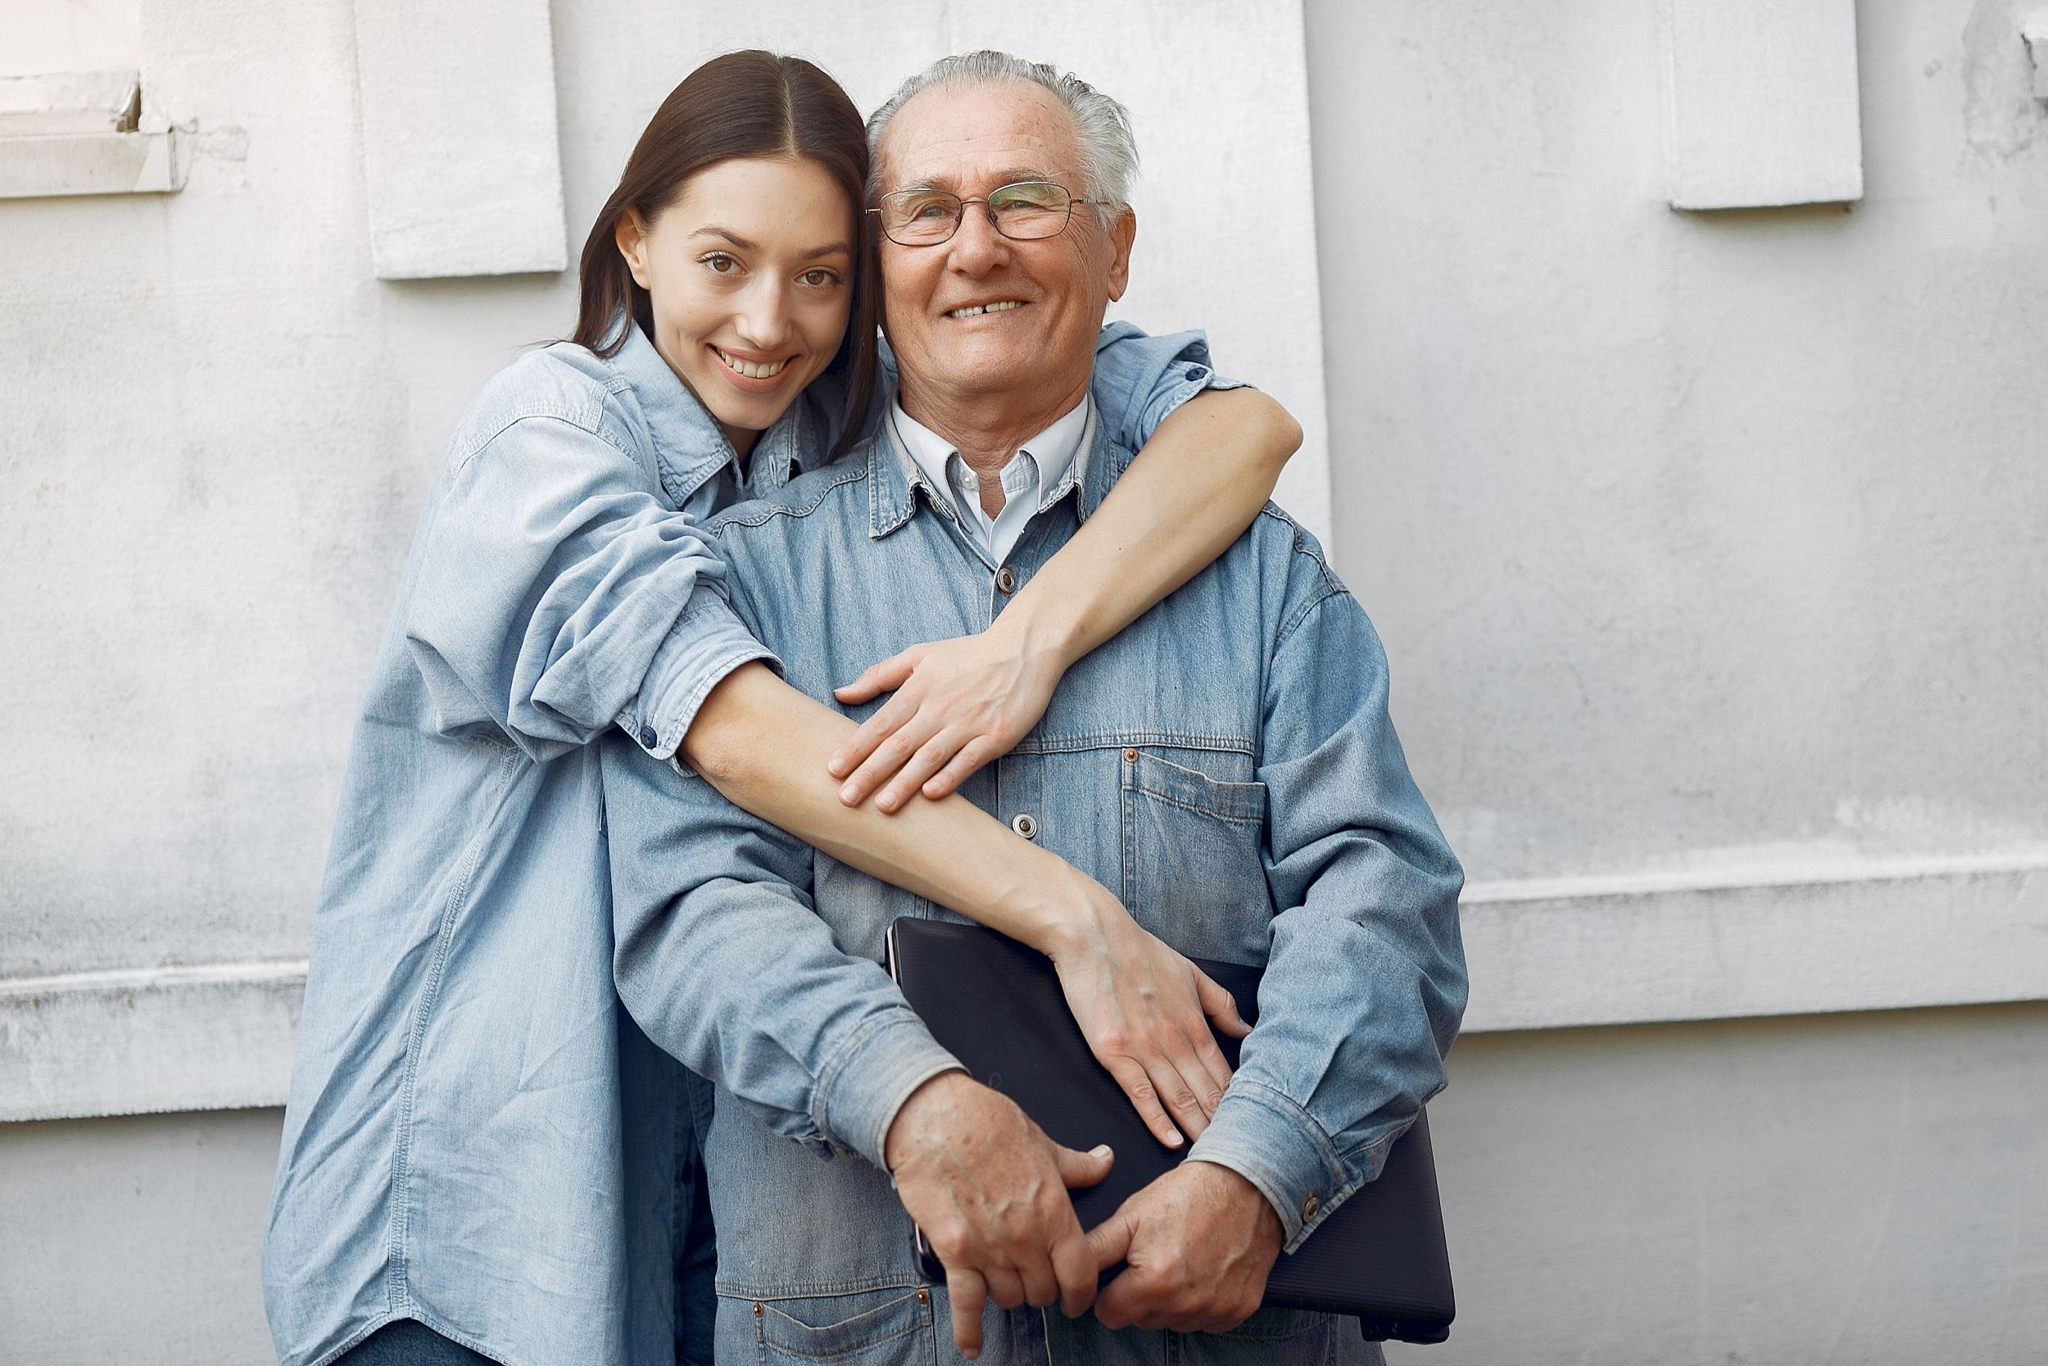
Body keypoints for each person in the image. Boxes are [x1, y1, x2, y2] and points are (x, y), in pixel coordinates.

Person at [263, 50, 1306, 1366]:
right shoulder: (548, 440)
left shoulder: (812, 433)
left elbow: (1240, 431)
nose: (769, 321)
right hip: (479, 1209)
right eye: (723, 262)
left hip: (705, 1203)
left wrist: (1027, 644)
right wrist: (1079, 922)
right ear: (634, 241)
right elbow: (740, 737)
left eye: (820, 275)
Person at [602, 49, 1469, 1366]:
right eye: (927, 211)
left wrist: (1259, 1170)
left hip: (1224, 1328)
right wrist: (914, 1100)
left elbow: (1386, 902)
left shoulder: (1263, 577)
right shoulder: (739, 574)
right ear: (874, 264)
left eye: (1025, 199)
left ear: (1114, 252)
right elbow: (690, 914)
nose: (976, 249)